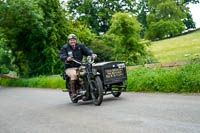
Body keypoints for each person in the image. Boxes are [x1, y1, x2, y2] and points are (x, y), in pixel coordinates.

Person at [59, 34, 97, 98]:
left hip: (79, 66)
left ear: (75, 40)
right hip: (70, 68)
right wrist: (66, 58)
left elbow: (87, 51)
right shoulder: (65, 48)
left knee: (89, 71)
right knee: (74, 74)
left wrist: (92, 54)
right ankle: (74, 92)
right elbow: (61, 55)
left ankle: (86, 86)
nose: (72, 41)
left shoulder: (80, 46)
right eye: (71, 40)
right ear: (68, 41)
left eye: (74, 40)